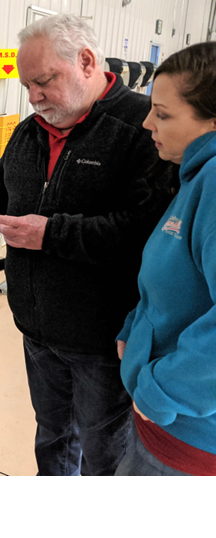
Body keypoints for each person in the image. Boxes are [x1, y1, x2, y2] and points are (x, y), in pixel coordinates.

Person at [0, 14, 169, 476]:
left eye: (43, 82)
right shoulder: (30, 130)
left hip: (103, 339)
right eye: (27, 85)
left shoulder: (143, 129)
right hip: (36, 328)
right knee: (51, 436)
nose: (33, 97)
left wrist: (49, 233)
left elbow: (143, 233)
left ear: (86, 62)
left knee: (104, 451)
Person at [115, 42, 216, 476]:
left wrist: (160, 392)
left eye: (164, 113)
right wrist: (134, 329)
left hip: (188, 439)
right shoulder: (194, 175)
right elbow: (175, 280)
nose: (147, 122)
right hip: (164, 426)